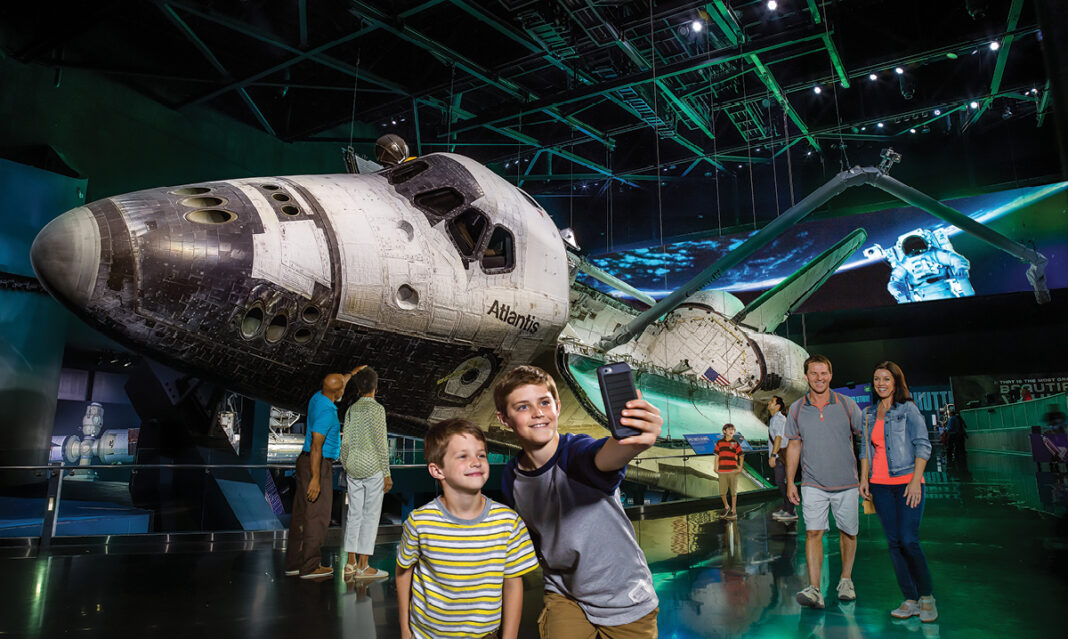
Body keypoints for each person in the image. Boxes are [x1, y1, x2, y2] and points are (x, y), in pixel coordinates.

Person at [496, 365, 662, 637]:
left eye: (544, 402)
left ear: (557, 407)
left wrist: (634, 439)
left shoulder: (576, 454)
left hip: (623, 597)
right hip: (565, 593)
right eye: (523, 407)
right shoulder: (511, 478)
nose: (538, 412)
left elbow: (603, 457)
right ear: (504, 419)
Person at [396, 419, 538, 639]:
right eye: (463, 456)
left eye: (481, 455)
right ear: (437, 470)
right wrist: (405, 629)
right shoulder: (419, 522)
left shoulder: (508, 523)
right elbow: (404, 572)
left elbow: (512, 585)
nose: (476, 462)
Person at [859, 361, 937, 622]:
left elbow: (923, 445)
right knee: (893, 544)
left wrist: (916, 480)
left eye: (886, 379)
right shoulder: (868, 413)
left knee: (909, 540)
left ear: (896, 383)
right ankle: (910, 599)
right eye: (876, 379)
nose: (880, 383)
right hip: (880, 487)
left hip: (907, 484)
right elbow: (865, 452)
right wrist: (864, 480)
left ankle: (926, 596)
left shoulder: (908, 409)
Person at [784, 354, 863, 609]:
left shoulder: (848, 405)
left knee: (848, 533)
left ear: (830, 375)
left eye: (824, 373)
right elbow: (794, 447)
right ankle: (814, 588)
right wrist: (790, 482)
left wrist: (866, 477)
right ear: (806, 377)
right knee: (813, 532)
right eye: (814, 373)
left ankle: (846, 580)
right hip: (812, 483)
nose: (819, 378)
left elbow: (867, 441)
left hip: (847, 484)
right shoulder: (796, 409)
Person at [285, 367, 361, 579]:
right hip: (317, 464)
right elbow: (317, 445)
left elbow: (339, 382)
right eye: (342, 389)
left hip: (304, 461)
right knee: (317, 516)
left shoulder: (317, 397)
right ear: (338, 393)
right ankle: (310, 567)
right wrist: (316, 478)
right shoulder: (328, 412)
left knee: (301, 515)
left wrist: (352, 373)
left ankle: (294, 563)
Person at [339, 366, 391, 579]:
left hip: (353, 467)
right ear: (375, 387)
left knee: (354, 514)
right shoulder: (377, 410)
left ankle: (350, 563)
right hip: (372, 468)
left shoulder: (351, 409)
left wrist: (345, 463)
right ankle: (363, 566)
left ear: (359, 388)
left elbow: (346, 441)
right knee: (370, 516)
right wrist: (386, 473)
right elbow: (381, 444)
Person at [767, 396, 797, 521]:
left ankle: (791, 511)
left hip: (780, 455)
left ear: (778, 406)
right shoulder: (774, 419)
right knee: (781, 482)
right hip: (780, 454)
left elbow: (778, 438)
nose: (769, 403)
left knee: (782, 482)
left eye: (772, 402)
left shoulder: (779, 419)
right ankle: (787, 507)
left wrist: (773, 456)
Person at [714, 423, 744, 519]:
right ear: (724, 431)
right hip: (722, 471)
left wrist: (740, 468)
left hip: (733, 471)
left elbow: (741, 455)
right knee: (722, 492)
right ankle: (726, 506)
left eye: (733, 430)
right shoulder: (719, 443)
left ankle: (733, 511)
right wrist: (715, 467)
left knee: (733, 492)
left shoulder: (735, 443)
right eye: (730, 429)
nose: (732, 431)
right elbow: (717, 456)